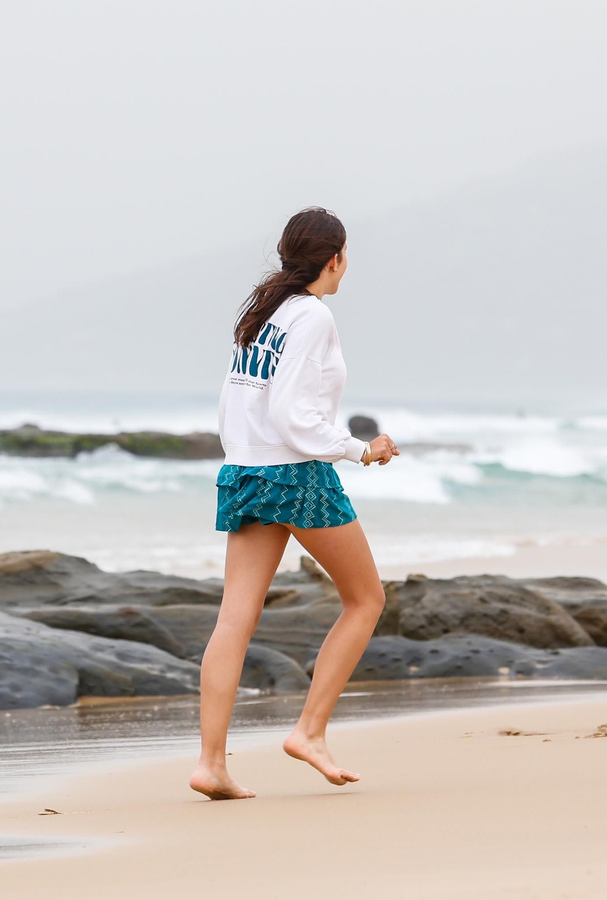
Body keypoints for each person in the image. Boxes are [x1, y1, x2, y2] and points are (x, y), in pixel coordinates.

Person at [190, 207, 399, 800]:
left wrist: (246, 457)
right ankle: (309, 732)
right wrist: (361, 451)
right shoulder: (312, 316)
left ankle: (211, 763)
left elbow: (239, 403)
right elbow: (292, 415)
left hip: (245, 470)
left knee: (235, 618)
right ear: (333, 258)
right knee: (366, 599)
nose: (347, 265)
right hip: (295, 474)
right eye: (346, 254)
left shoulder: (265, 312)